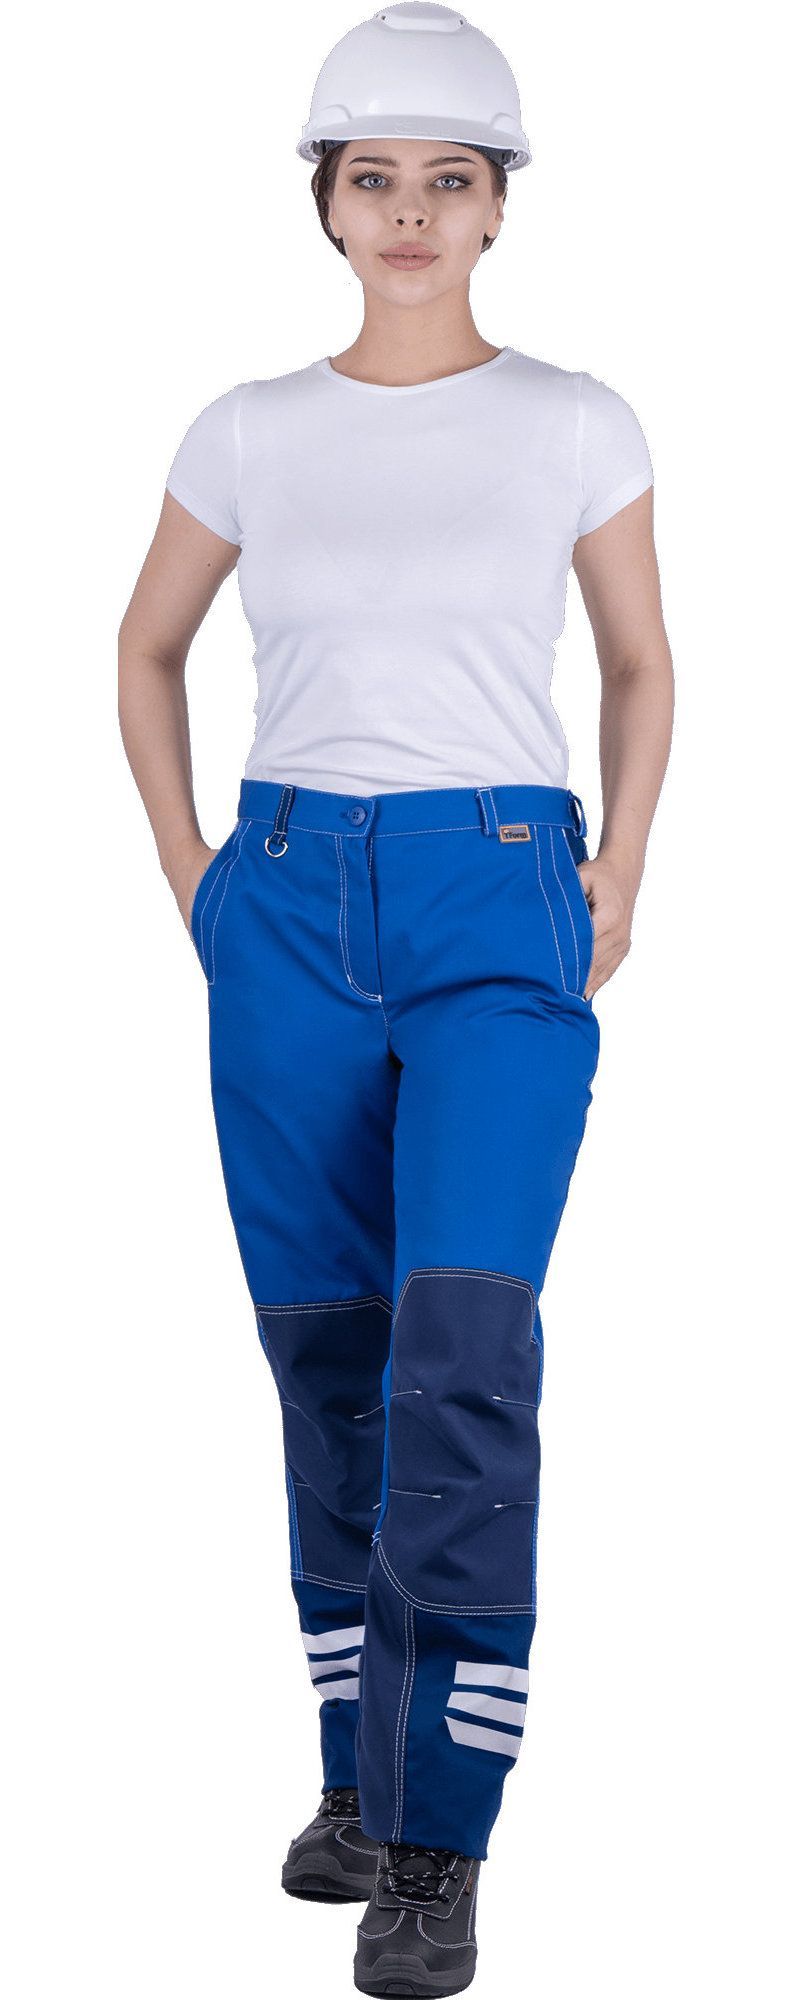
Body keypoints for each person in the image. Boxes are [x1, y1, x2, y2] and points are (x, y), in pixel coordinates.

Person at [118, 5, 674, 1994]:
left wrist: (622, 864)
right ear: (327, 203)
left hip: (494, 899)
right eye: (375, 178)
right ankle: (356, 1777)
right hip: (282, 904)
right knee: (330, 1360)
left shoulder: (576, 420)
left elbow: (639, 661)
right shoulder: (246, 428)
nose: (412, 212)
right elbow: (144, 648)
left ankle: (440, 1836)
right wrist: (195, 875)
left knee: (464, 1352)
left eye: (451, 178)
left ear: (499, 206)